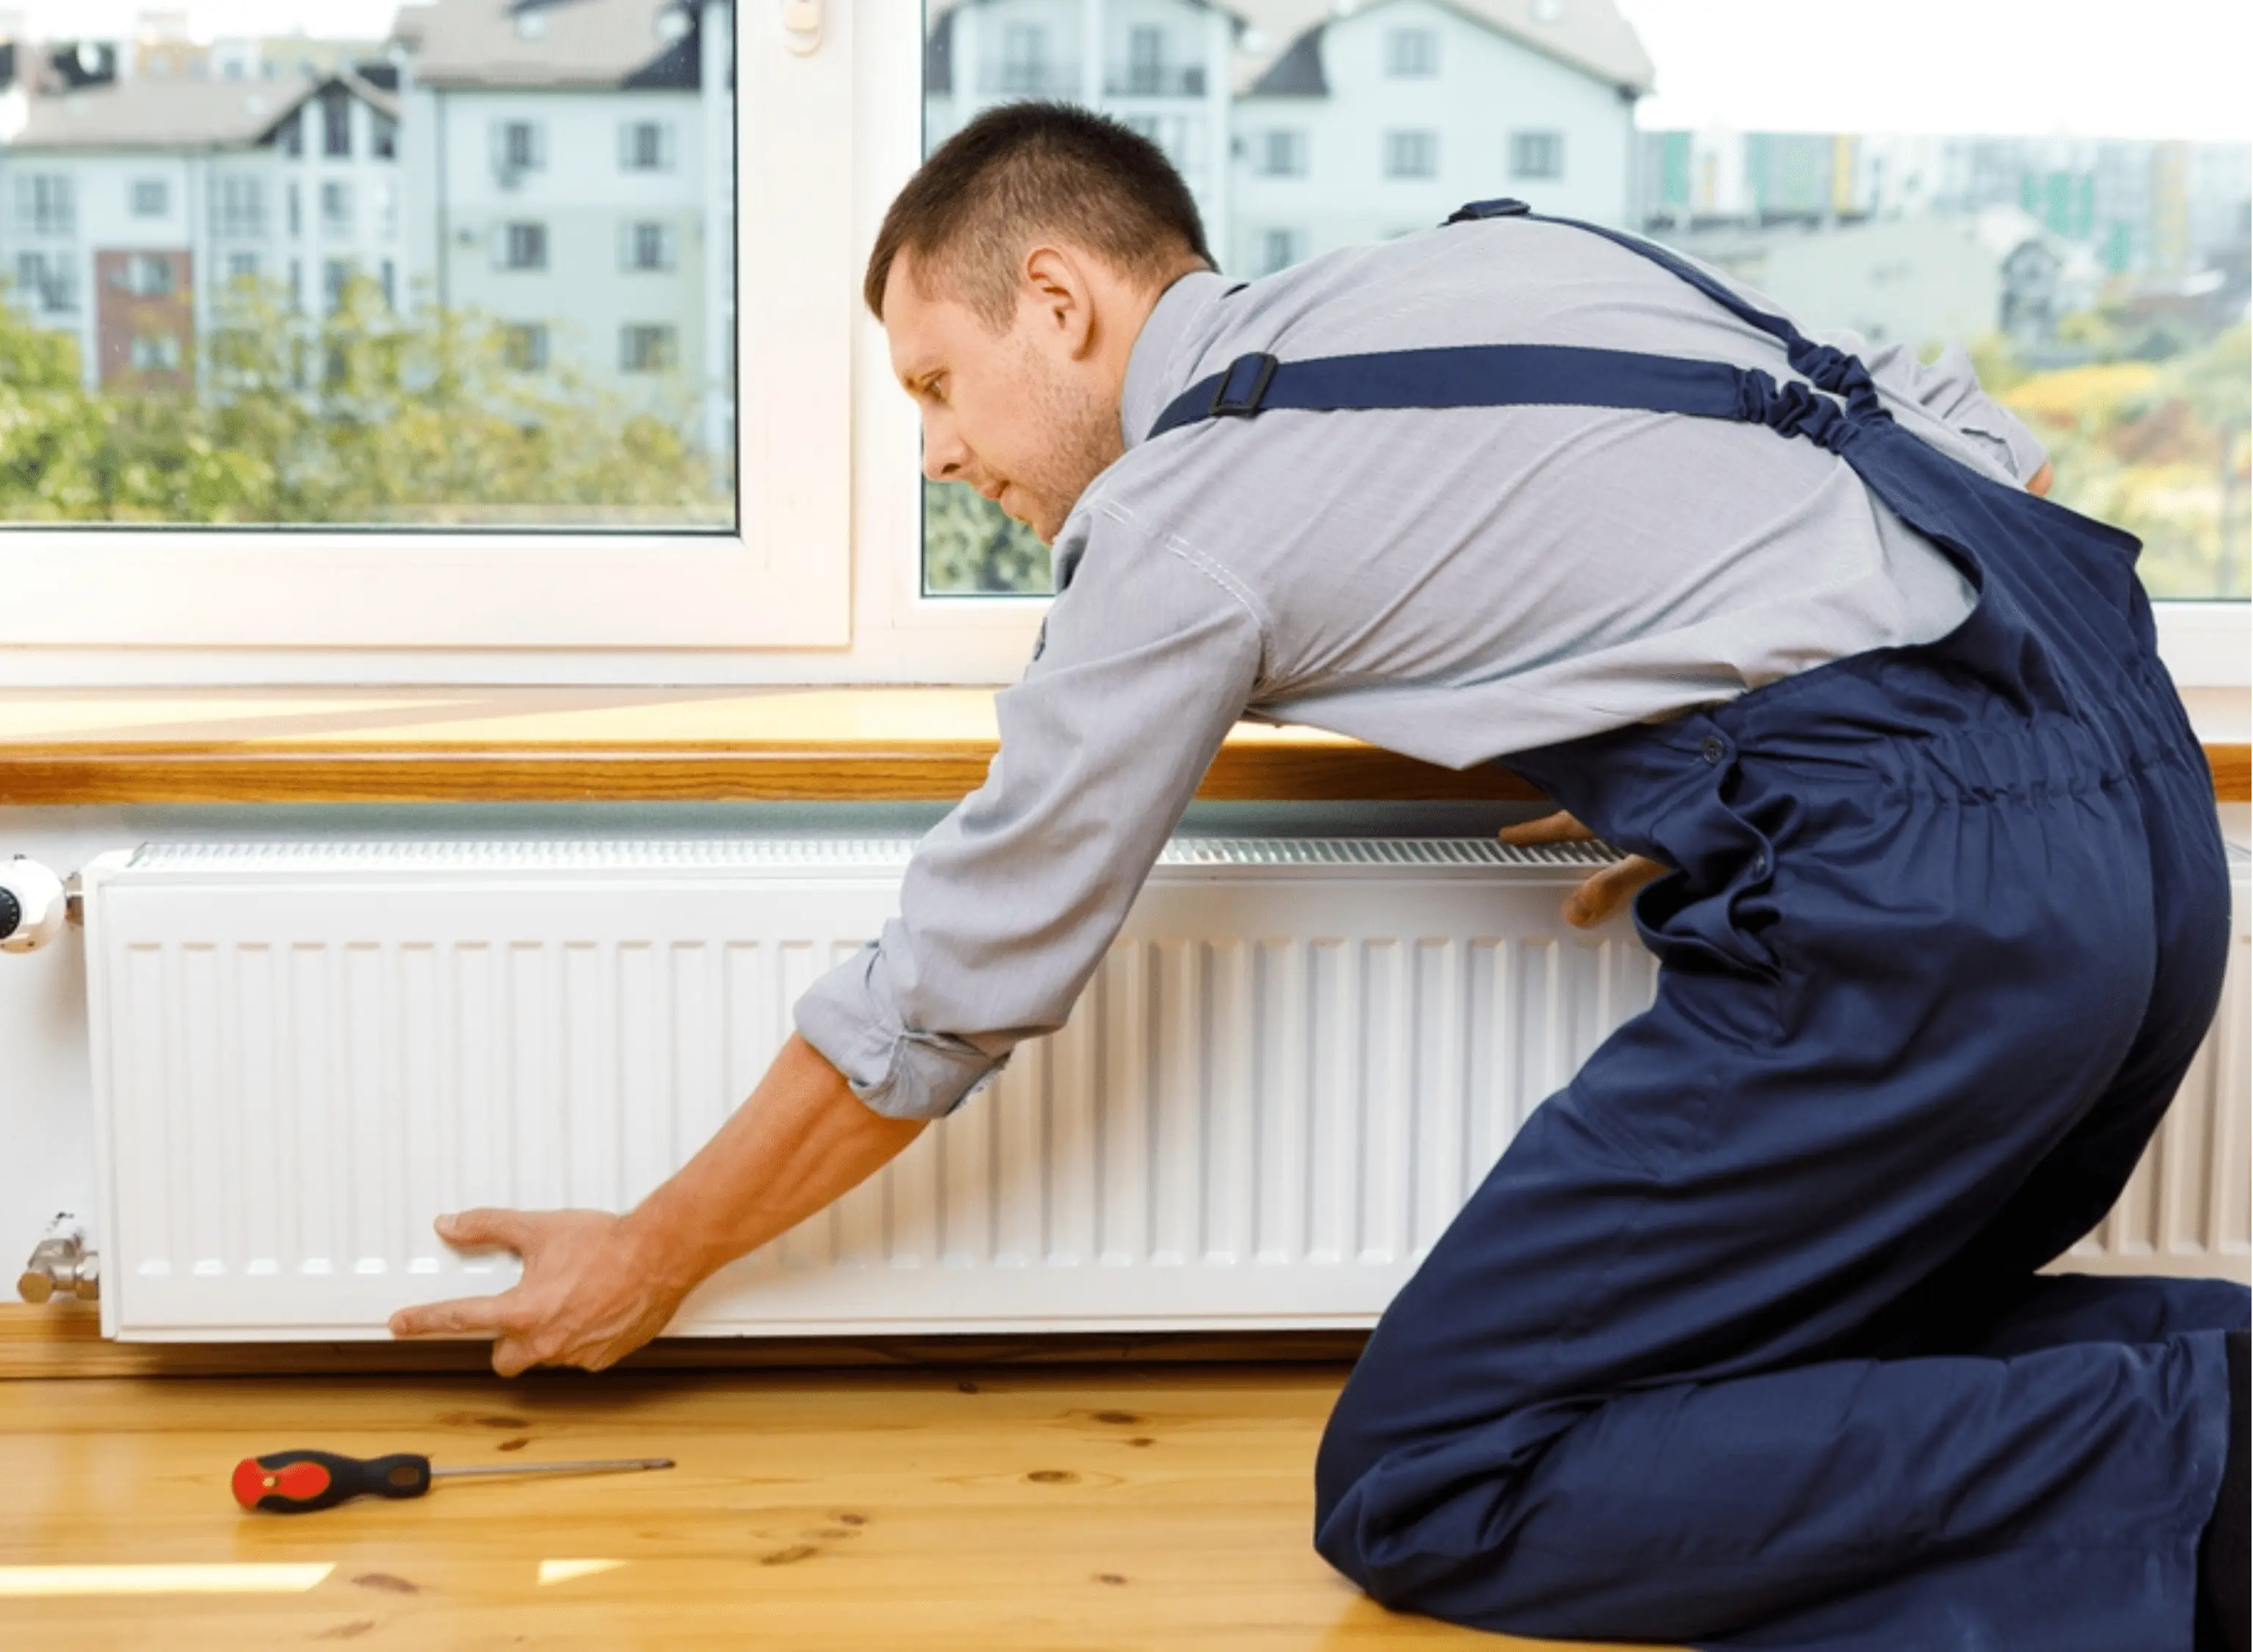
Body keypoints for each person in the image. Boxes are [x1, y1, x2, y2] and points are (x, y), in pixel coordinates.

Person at [391, 104, 2247, 1651]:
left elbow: (961, 973)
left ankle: (2218, 1466)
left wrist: (655, 1251)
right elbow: (1943, 420)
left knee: (1431, 1479)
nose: (943, 450)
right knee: (1797, 1346)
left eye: (938, 382)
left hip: (1931, 903)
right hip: (2135, 829)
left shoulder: (1183, 515)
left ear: (1060, 298)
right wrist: (1714, 742)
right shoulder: (1512, 250)